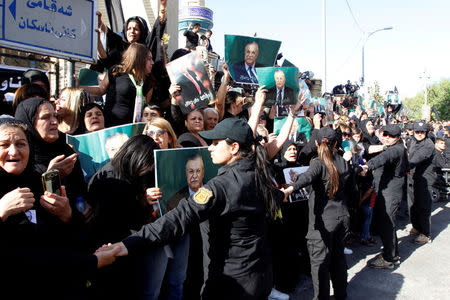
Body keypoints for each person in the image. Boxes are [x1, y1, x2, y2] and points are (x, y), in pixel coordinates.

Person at [96, 117, 284, 300]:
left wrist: (126, 245)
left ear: (234, 148)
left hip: (231, 284)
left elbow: (178, 218)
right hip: (261, 275)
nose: (210, 147)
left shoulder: (219, 187)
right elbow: (278, 195)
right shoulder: (259, 174)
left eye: (216, 143)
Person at [0, 118, 118, 298]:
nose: (14, 151)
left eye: (21, 144)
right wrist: (1, 211)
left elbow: (62, 241)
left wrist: (68, 216)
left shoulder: (38, 182)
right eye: (4, 145)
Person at [281, 127, 355, 300]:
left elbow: (308, 176)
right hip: (342, 218)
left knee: (320, 264)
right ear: (336, 143)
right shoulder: (343, 162)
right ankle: (341, 295)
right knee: (338, 260)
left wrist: (290, 188)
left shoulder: (318, 162)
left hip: (323, 223)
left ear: (316, 143)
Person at [88, 135, 162, 299]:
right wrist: (142, 203)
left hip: (122, 249)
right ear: (137, 157)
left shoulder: (127, 174)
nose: (149, 169)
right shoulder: (111, 179)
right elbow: (118, 221)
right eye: (148, 164)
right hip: (112, 252)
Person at [14, 98, 87, 205]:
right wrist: (50, 177)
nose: (54, 122)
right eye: (46, 117)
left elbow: (80, 190)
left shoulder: (65, 151)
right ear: (28, 123)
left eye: (55, 116)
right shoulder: (18, 156)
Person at [361, 124, 408, 269]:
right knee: (387, 224)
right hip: (387, 190)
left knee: (387, 224)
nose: (387, 138)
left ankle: (389, 259)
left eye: (391, 136)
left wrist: (367, 166)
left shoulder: (395, 150)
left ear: (398, 137)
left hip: (390, 193)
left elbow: (384, 157)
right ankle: (392, 253)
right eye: (385, 134)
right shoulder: (394, 147)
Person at [80, 43, 155, 126]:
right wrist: (78, 87)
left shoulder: (149, 81)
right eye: (149, 59)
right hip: (111, 125)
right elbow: (100, 90)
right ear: (139, 59)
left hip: (133, 128)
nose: (152, 62)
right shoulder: (116, 71)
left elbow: (145, 108)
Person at [407, 121, 435, 244]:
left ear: (426, 132)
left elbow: (417, 158)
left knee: (423, 206)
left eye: (422, 132)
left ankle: (425, 233)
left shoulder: (428, 145)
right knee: (412, 205)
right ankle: (417, 227)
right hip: (412, 177)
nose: (419, 134)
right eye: (417, 131)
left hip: (425, 179)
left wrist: (404, 167)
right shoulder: (412, 141)